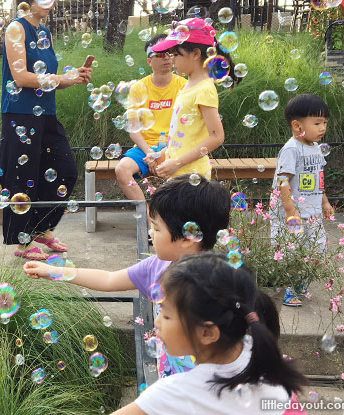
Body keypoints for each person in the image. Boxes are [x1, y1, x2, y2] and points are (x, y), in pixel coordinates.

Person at [25, 174, 231, 378]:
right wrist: (53, 271)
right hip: (169, 383)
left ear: (189, 236)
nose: (150, 233)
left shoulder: (219, 284)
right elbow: (109, 279)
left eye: (156, 228)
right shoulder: (158, 266)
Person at [111, 253, 308, 415]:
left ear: (207, 333)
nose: (157, 321)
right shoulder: (256, 351)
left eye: (166, 315)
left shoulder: (174, 393)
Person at [1, 0, 92, 260]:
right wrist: (62, 78)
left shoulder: (45, 32)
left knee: (65, 170)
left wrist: (72, 77)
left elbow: (48, 80)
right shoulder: (16, 29)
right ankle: (22, 241)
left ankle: (41, 228)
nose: (50, 3)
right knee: (21, 177)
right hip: (20, 114)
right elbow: (22, 78)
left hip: (46, 114)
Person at [143, 17, 237, 180]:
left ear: (195, 54)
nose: (171, 60)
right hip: (179, 173)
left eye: (176, 55)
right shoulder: (188, 85)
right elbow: (184, 134)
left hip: (193, 175)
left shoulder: (204, 89)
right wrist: (162, 153)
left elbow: (217, 136)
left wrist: (177, 163)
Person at [269, 94, 334, 306]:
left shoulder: (316, 148)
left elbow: (318, 179)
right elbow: (282, 181)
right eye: (317, 123)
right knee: (292, 251)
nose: (322, 127)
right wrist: (290, 210)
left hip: (312, 212)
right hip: (294, 214)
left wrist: (324, 202)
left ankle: (299, 285)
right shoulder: (291, 149)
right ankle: (291, 289)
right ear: (297, 125)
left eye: (324, 122)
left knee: (316, 249)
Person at [115, 34, 187, 200]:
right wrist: (150, 154)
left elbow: (186, 126)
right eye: (160, 55)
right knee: (122, 169)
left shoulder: (183, 85)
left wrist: (162, 153)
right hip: (144, 149)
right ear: (149, 61)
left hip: (174, 147)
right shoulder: (138, 88)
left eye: (170, 53)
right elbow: (134, 130)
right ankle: (147, 217)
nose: (167, 58)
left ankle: (170, 218)